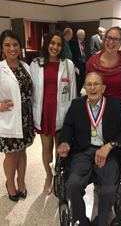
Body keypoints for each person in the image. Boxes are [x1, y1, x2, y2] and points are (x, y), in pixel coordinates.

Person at [57, 72, 121, 226]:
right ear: (85, 88)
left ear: (103, 87)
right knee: (72, 183)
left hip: (108, 153)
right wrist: (64, 141)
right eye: (89, 84)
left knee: (108, 190)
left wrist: (110, 146)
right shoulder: (77, 105)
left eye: (96, 84)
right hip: (82, 152)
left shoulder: (117, 106)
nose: (93, 88)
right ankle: (81, 219)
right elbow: (68, 126)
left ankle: (101, 221)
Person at [30, 30, 76, 195]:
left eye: (58, 44)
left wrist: (72, 117)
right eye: (52, 43)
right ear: (47, 44)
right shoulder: (36, 63)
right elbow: (31, 90)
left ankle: (58, 175)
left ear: (62, 46)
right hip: (44, 112)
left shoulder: (68, 64)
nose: (55, 47)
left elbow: (73, 93)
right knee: (46, 147)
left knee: (60, 147)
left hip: (62, 111)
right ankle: (48, 176)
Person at [0, 30, 35, 202]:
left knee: (22, 152)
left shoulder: (26, 67)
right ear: (2, 48)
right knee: (11, 154)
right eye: (7, 45)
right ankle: (10, 184)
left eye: (15, 44)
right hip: (7, 119)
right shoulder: (0, 69)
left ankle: (21, 182)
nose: (12, 48)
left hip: (26, 118)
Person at [86, 26, 121, 105]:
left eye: (116, 39)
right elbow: (88, 86)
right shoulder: (93, 62)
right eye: (108, 38)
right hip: (96, 107)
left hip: (118, 107)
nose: (111, 42)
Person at [69, 29, 87, 97]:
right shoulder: (73, 42)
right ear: (78, 35)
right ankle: (76, 92)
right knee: (77, 78)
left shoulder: (83, 42)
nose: (83, 37)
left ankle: (79, 91)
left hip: (83, 61)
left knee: (83, 77)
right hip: (76, 62)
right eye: (82, 35)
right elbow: (72, 53)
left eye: (84, 35)